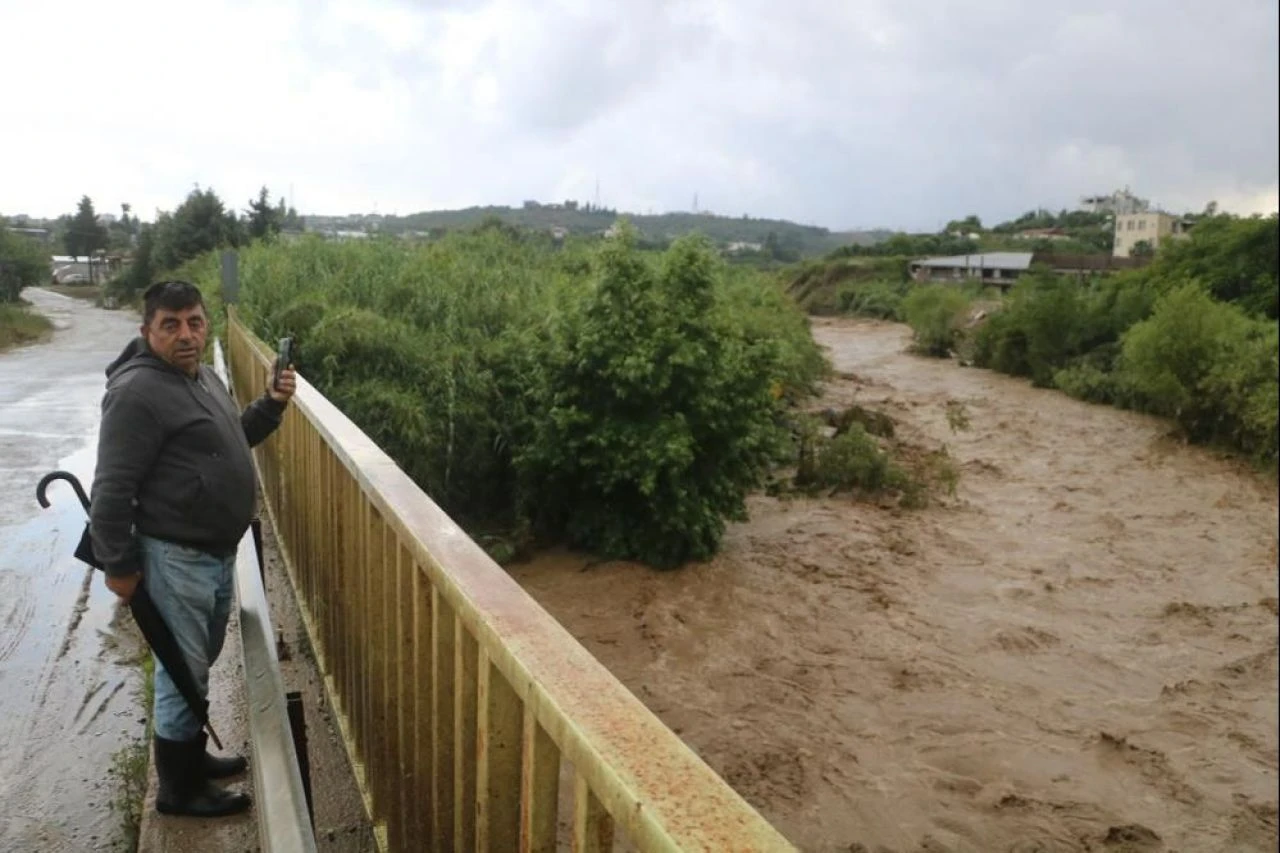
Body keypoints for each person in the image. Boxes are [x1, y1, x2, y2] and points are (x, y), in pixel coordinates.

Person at [89, 280, 297, 817]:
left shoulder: (202, 377)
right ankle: (178, 790)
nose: (186, 334)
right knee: (182, 670)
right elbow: (111, 486)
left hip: (212, 552)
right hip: (173, 556)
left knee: (194, 665)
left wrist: (272, 404)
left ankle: (192, 759)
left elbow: (230, 437)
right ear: (147, 331)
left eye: (195, 322)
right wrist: (119, 566)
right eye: (171, 324)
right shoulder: (136, 393)